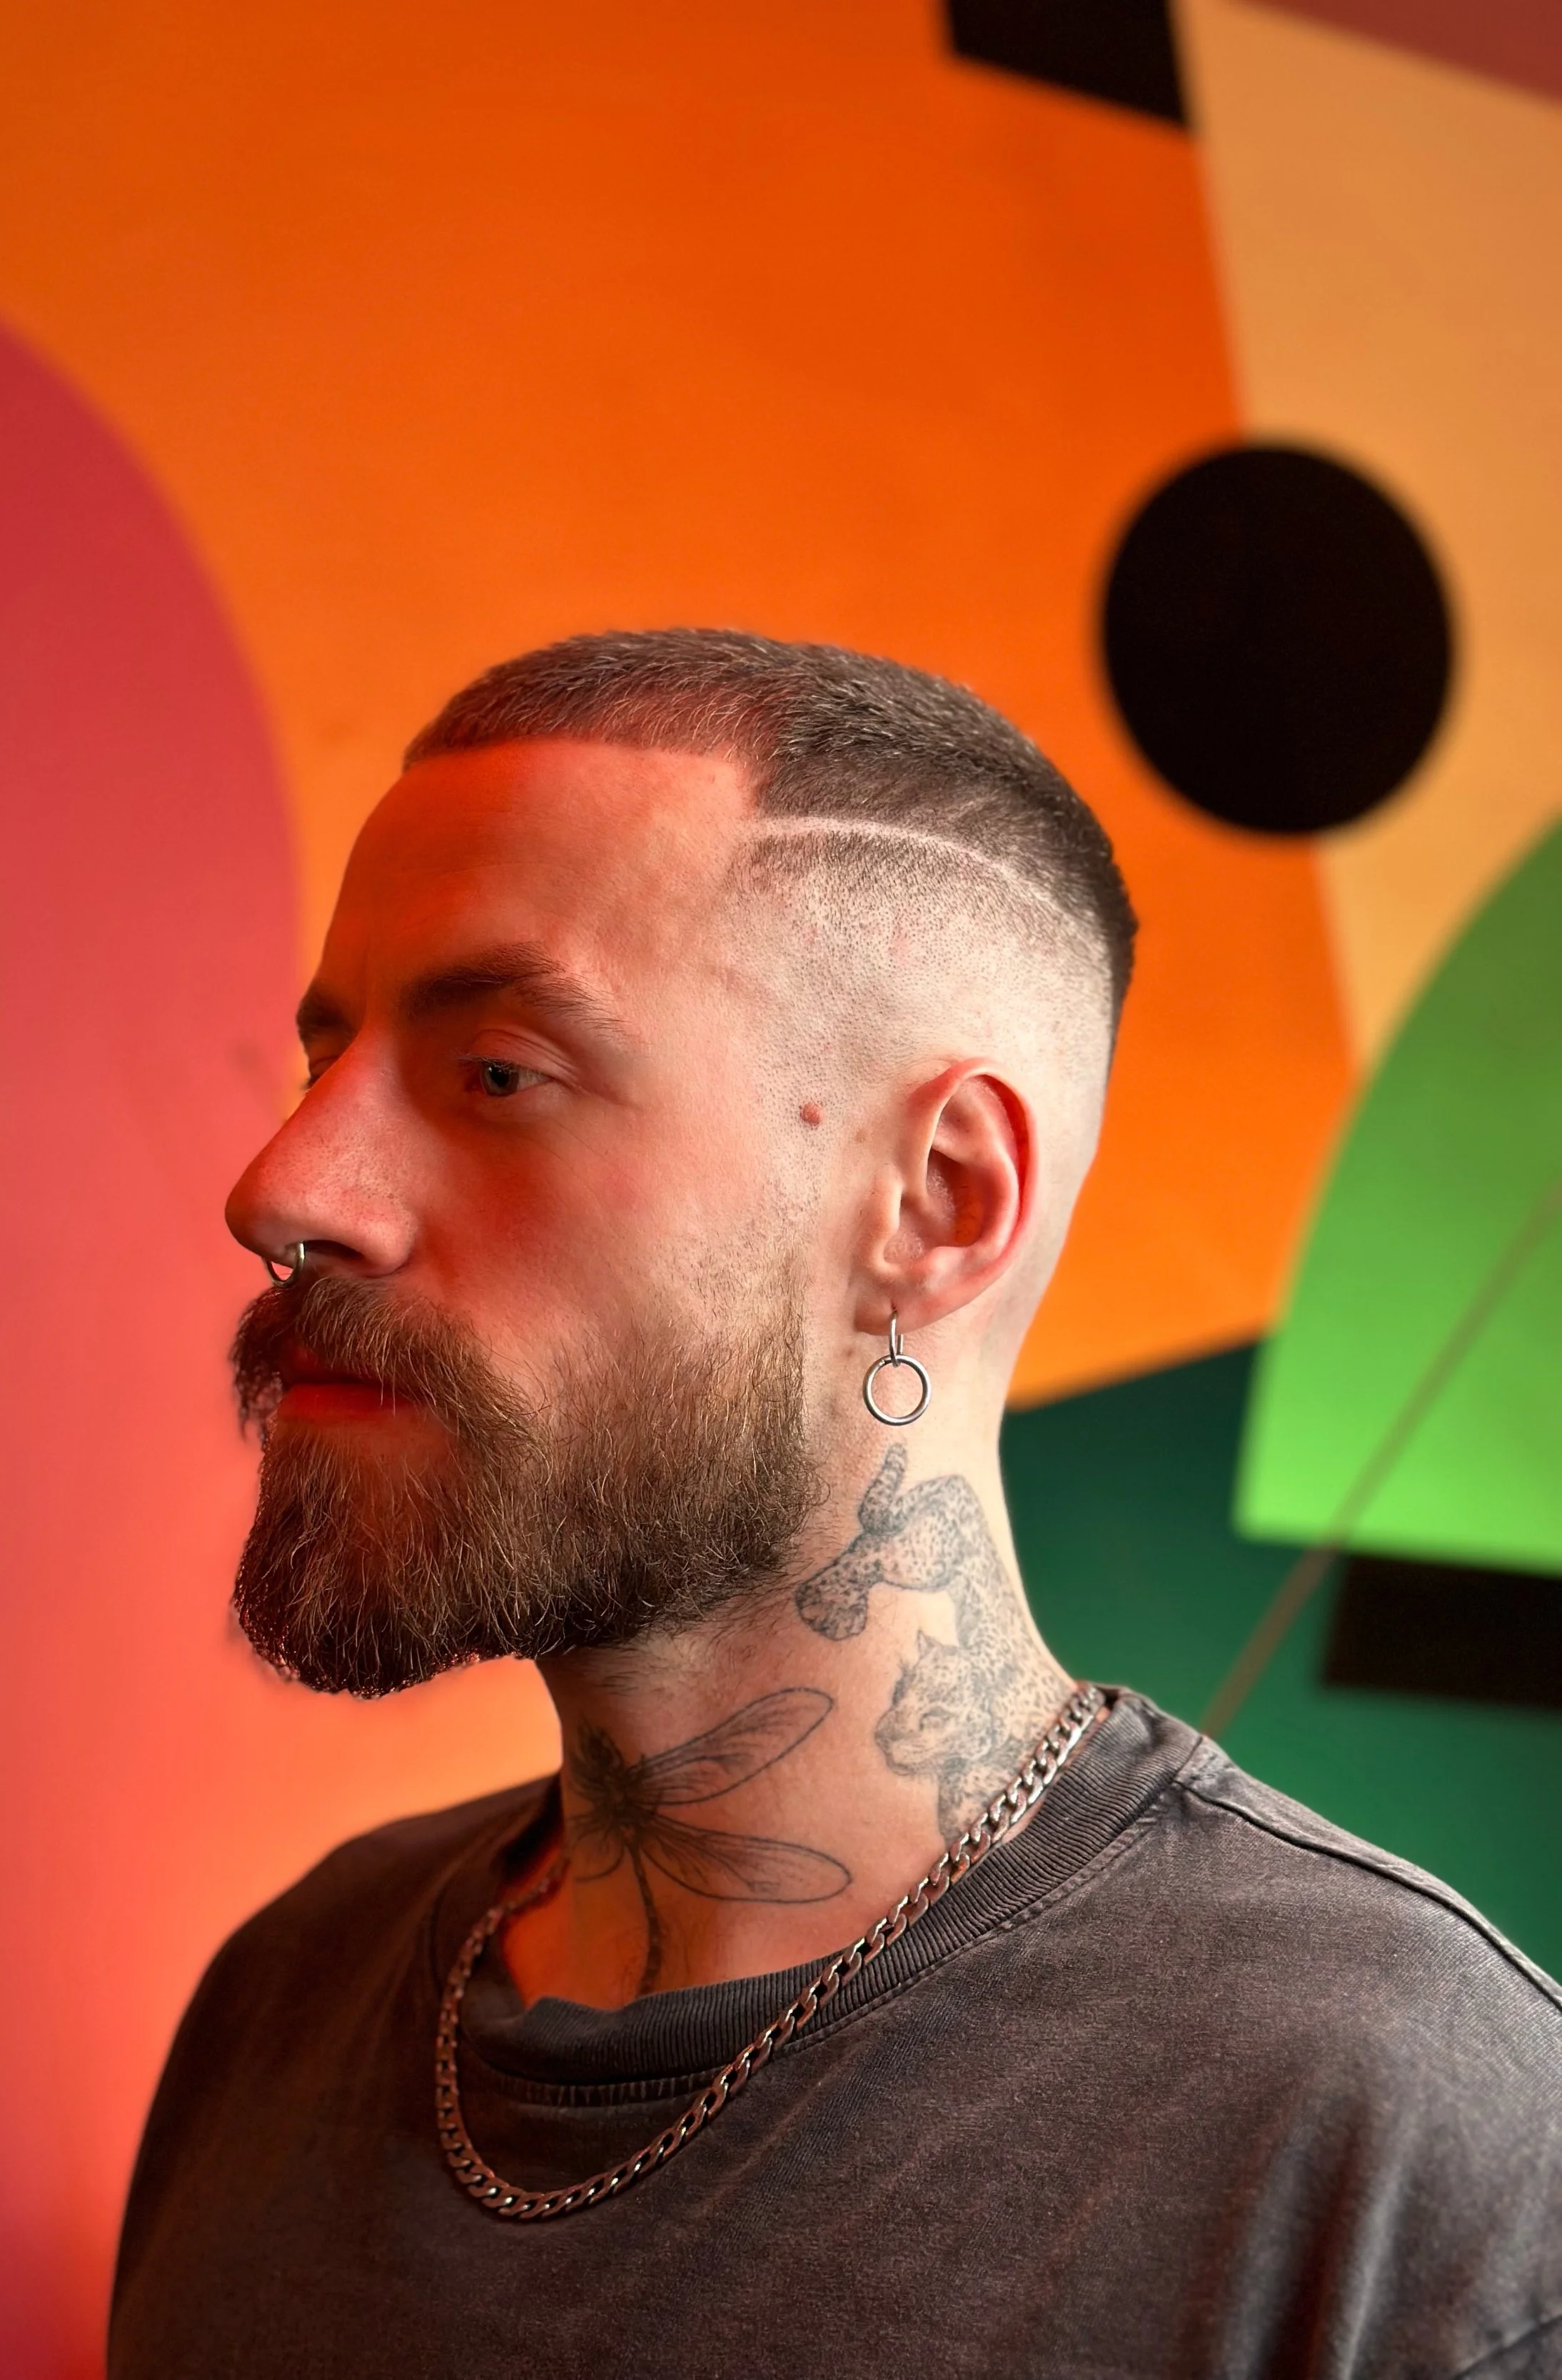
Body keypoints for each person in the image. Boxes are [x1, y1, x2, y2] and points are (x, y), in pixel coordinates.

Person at [109, 630, 1562, 2379]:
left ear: (938, 1203)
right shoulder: (288, 1998)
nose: (283, 1187)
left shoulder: (1396, 2146)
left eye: (497, 1071)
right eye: (320, 1059)